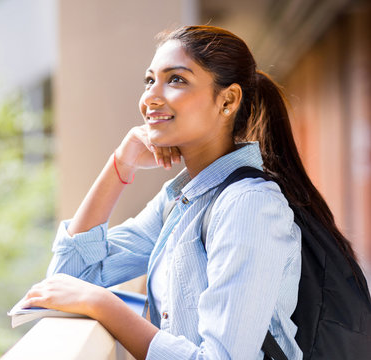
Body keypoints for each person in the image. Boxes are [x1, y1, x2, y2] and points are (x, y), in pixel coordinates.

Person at [19, 25, 356, 359]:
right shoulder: (181, 199)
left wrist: (104, 304)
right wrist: (121, 164)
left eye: (176, 79)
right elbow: (68, 277)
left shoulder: (248, 205)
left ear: (227, 101)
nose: (151, 96)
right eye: (150, 80)